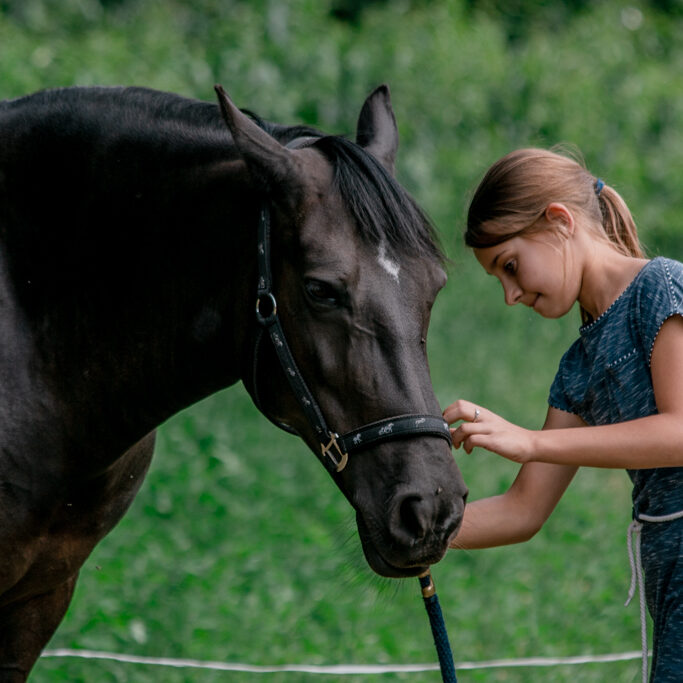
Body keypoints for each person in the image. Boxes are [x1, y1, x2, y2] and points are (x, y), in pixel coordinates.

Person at [444, 148, 683, 682]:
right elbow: (523, 509)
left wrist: (530, 442)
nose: (509, 295)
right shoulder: (578, 368)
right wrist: (419, 531)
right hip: (669, 584)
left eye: (510, 266)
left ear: (559, 221)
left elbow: (679, 431)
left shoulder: (659, 289)